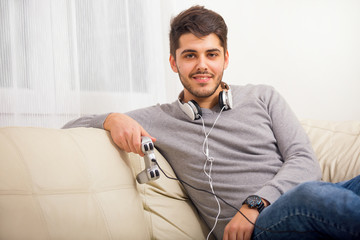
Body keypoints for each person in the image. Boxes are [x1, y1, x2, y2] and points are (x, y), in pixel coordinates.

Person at [63, 5, 360, 240]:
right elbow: (71, 127)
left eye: (211, 54)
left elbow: (305, 161)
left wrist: (255, 203)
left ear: (225, 59)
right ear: (173, 62)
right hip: (265, 229)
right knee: (311, 195)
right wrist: (113, 119)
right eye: (190, 55)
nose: (202, 65)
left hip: (283, 206)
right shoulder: (160, 118)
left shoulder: (263, 96)